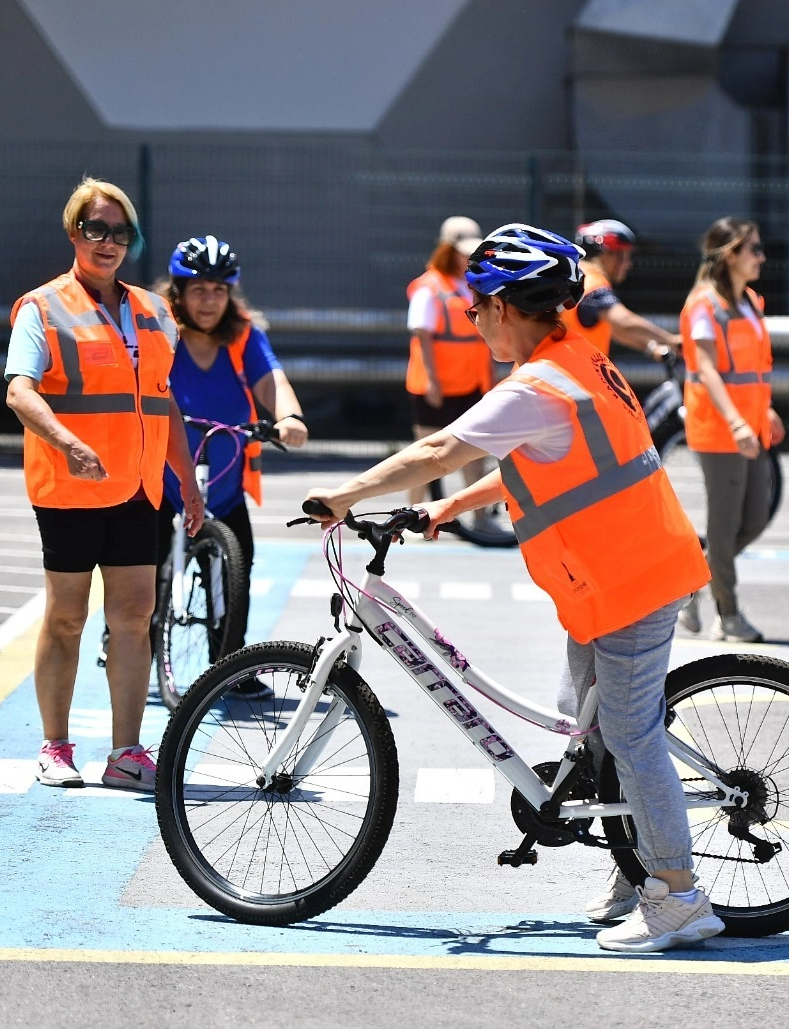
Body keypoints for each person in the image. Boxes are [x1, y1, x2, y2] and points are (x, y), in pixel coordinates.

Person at [304, 223, 722, 953]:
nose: (470, 319)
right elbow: (540, 465)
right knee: (581, 719)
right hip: (614, 577)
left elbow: (440, 447)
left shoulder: (538, 383)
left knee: (627, 732)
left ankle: (678, 896)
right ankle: (633, 865)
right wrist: (446, 505)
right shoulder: (574, 362)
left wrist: (345, 495)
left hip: (632, 580)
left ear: (504, 306)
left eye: (475, 307)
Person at [4, 177, 204, 792]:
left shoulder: (155, 311)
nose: (108, 242)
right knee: (67, 617)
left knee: (134, 616)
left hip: (138, 489)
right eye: (96, 229)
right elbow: (19, 391)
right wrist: (67, 441)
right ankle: (56, 747)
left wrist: (187, 484)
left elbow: (162, 402)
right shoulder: (43, 307)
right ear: (74, 234)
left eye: (119, 231)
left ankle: (126, 753)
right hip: (69, 489)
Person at [156, 235, 307, 693]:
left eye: (219, 290)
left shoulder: (243, 336)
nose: (209, 300)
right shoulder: (159, 330)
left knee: (236, 565)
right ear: (178, 292)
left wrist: (289, 416)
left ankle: (231, 666)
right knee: (143, 570)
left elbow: (272, 380)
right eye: (198, 289)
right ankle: (133, 641)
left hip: (222, 481)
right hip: (161, 481)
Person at [677, 217, 785, 643]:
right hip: (719, 429)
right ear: (730, 255)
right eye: (753, 249)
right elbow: (705, 368)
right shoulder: (703, 304)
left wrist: (766, 409)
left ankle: (690, 584)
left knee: (755, 518)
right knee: (724, 526)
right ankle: (730, 614)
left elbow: (751, 368)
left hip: (750, 427)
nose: (761, 257)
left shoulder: (749, 302)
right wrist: (737, 420)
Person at [405, 216, 490, 509]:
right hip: (436, 385)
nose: (467, 257)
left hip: (471, 382)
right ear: (447, 250)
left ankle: (479, 518)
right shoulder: (429, 287)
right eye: (461, 251)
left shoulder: (475, 284)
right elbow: (422, 334)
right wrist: (432, 381)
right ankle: (412, 514)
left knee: (475, 451)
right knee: (424, 453)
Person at [564, 219, 681, 360]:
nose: (629, 264)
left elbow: (616, 329)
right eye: (625, 256)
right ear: (608, 255)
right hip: (576, 373)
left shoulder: (575, 278)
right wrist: (671, 340)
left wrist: (652, 348)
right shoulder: (593, 284)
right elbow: (624, 321)